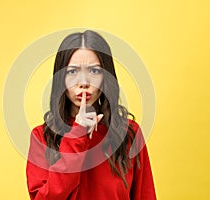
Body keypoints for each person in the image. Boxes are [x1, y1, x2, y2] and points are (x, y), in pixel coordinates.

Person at [26, 30, 156, 199]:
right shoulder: (41, 137)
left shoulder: (129, 134)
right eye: (72, 72)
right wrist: (77, 135)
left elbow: (145, 195)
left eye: (94, 71)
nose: (84, 83)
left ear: (105, 77)